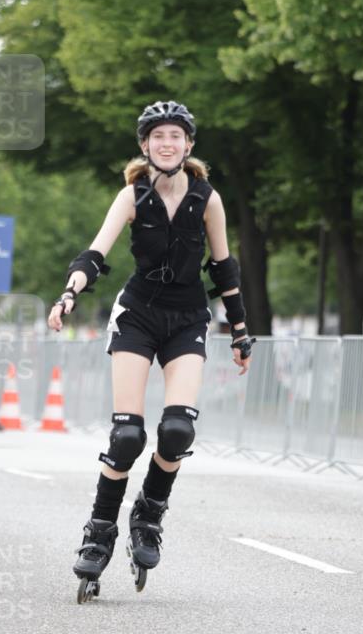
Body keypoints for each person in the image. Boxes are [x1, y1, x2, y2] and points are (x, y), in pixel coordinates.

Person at [47, 100, 256, 603]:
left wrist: (242, 327)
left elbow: (224, 269)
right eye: (157, 136)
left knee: (178, 428)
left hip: (187, 318)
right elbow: (95, 254)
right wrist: (70, 292)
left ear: (189, 145)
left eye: (175, 136)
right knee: (126, 437)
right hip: (138, 314)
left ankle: (149, 513)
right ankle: (99, 534)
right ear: (145, 145)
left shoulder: (208, 199)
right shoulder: (132, 195)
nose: (167, 144)